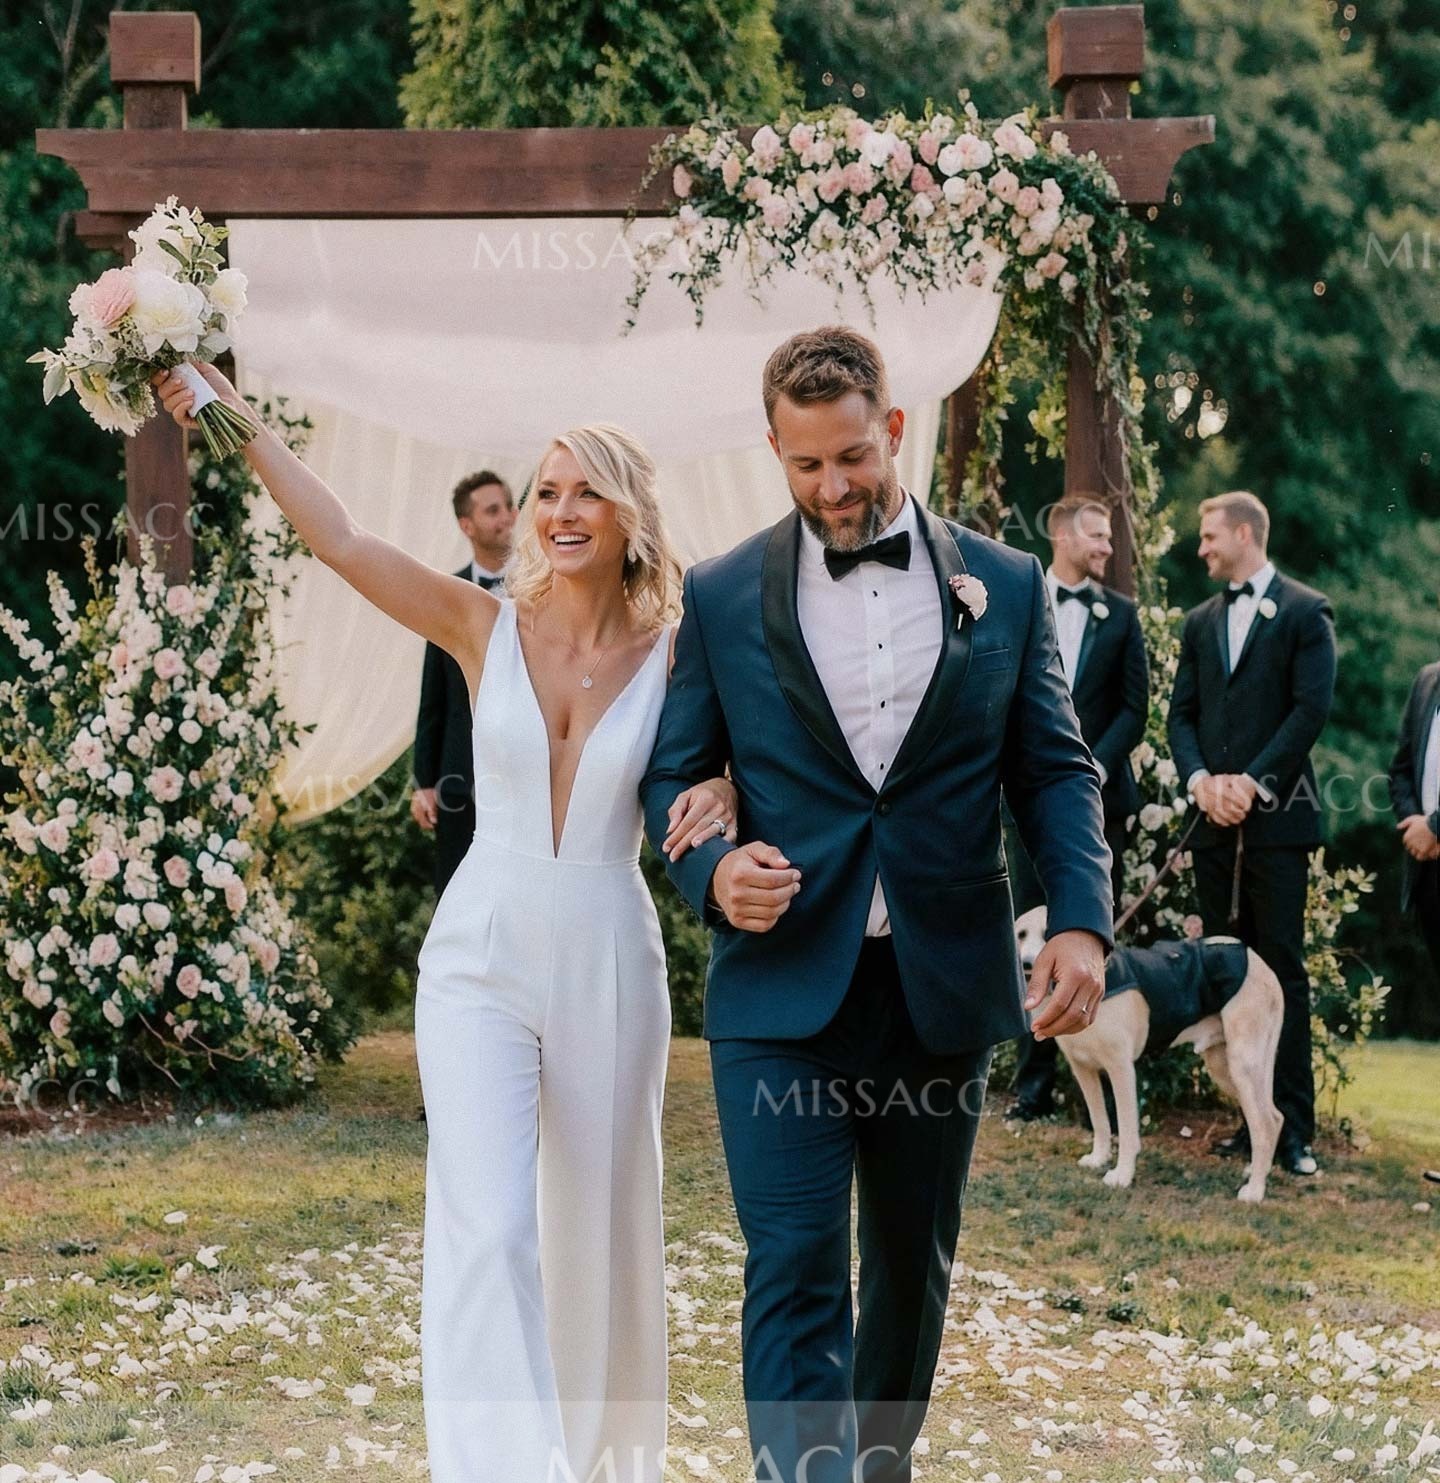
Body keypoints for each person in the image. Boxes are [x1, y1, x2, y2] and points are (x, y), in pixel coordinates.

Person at [153, 364, 736, 1483]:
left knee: (603, 1225)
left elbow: (763, 747)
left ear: (631, 514)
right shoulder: (483, 624)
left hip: (612, 953)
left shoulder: (680, 652)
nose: (559, 511)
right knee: (489, 1219)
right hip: (480, 954)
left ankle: (599, 1460)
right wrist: (236, 417)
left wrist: (729, 788)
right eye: (547, 489)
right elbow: (342, 539)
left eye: (586, 491)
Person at [641, 326, 1113, 1483]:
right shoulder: (719, 594)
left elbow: (1055, 769)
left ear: (894, 429)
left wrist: (1080, 920)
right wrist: (714, 872)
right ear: (775, 450)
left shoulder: (1005, 583)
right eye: (805, 464)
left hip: (936, 983)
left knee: (909, 1264)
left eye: (852, 457)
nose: (832, 487)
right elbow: (672, 772)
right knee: (795, 1255)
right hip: (779, 991)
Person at [1167, 490, 1335, 1178]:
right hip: (1212, 826)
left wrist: (1253, 783)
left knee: (1281, 969)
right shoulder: (1200, 621)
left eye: (1210, 536)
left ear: (1244, 533)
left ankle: (1293, 1131)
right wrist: (1201, 781)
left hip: (1277, 824)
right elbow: (1180, 715)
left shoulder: (1305, 611)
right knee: (1226, 970)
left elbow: (1309, 709)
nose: (1201, 547)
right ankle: (1250, 1122)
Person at [1010, 493, 1148, 1121]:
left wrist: (1093, 768)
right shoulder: (1015, 599)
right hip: (1021, 803)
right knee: (1028, 933)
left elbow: (1134, 707)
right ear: (1062, 537)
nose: (1107, 548)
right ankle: (1032, 1086)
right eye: (1098, 535)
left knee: (1088, 931)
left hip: (1097, 806)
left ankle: (1094, 1071)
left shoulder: (1121, 617)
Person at [412, 470, 516, 894]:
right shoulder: (447, 593)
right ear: (467, 525)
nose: (506, 517)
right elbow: (432, 696)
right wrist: (424, 782)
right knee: (457, 891)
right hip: (459, 777)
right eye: (492, 510)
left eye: (508, 506)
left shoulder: (547, 589)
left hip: (526, 771)